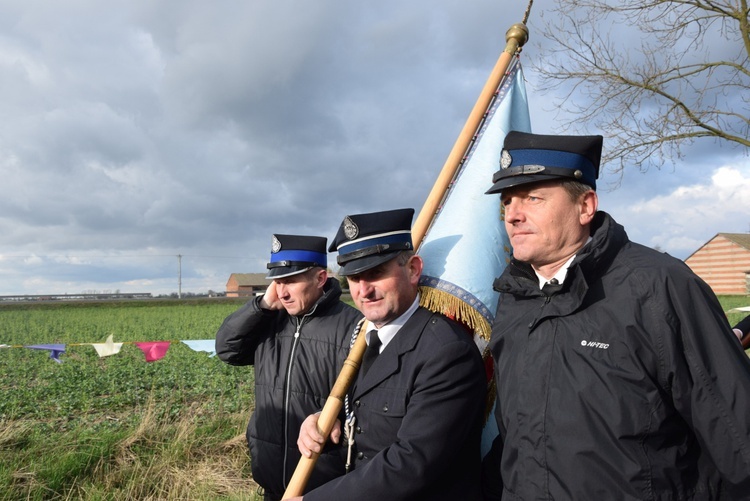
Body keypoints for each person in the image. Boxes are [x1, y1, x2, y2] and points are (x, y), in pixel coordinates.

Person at [481, 131, 750, 499]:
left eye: (533, 198)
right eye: (507, 202)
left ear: (586, 206)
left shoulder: (660, 287)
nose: (513, 215)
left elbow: (736, 435)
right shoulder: (514, 298)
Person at [291, 208, 486, 501]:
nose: (364, 291)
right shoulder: (365, 338)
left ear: (413, 269)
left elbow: (412, 461)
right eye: (354, 278)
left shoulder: (447, 351)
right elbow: (375, 421)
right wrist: (327, 422)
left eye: (376, 273)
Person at [215, 234, 362, 501]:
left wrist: (332, 416)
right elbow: (227, 349)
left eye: (291, 281)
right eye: (277, 282)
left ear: (320, 278)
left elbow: (368, 402)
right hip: (271, 483)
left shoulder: (353, 327)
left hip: (322, 487)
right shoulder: (267, 320)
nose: (282, 292)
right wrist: (261, 306)